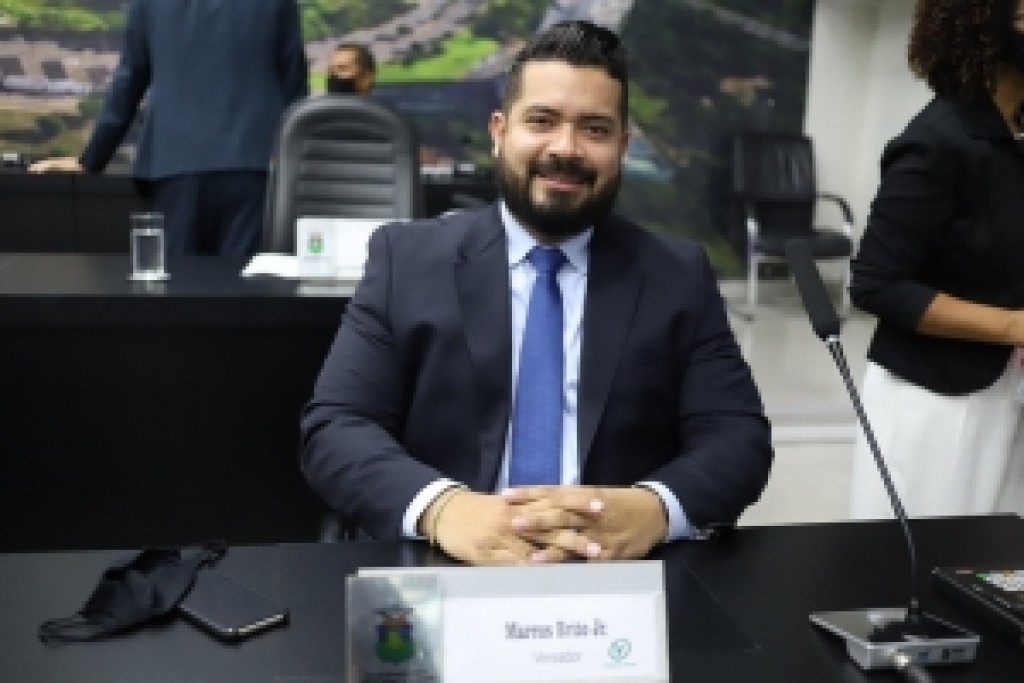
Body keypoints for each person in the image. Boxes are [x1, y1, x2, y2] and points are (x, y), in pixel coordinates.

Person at [300, 20, 772, 566]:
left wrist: (655, 509)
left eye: (594, 129)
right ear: (499, 131)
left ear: (622, 145)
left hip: (613, 577)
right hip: (446, 564)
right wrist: (443, 509)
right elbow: (336, 428)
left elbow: (738, 437)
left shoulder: (676, 274)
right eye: (542, 121)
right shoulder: (406, 260)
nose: (565, 149)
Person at [849, 0, 1024, 519]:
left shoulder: (1012, 132)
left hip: (1002, 385)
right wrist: (1014, 325)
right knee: (929, 556)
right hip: (934, 400)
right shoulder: (938, 142)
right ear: (984, 23)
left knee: (990, 554)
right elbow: (878, 283)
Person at [28, 0, 308, 257]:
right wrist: (300, 161)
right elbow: (294, 81)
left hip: (174, 162)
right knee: (245, 283)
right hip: (253, 161)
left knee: (179, 283)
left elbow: (129, 80)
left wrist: (91, 160)